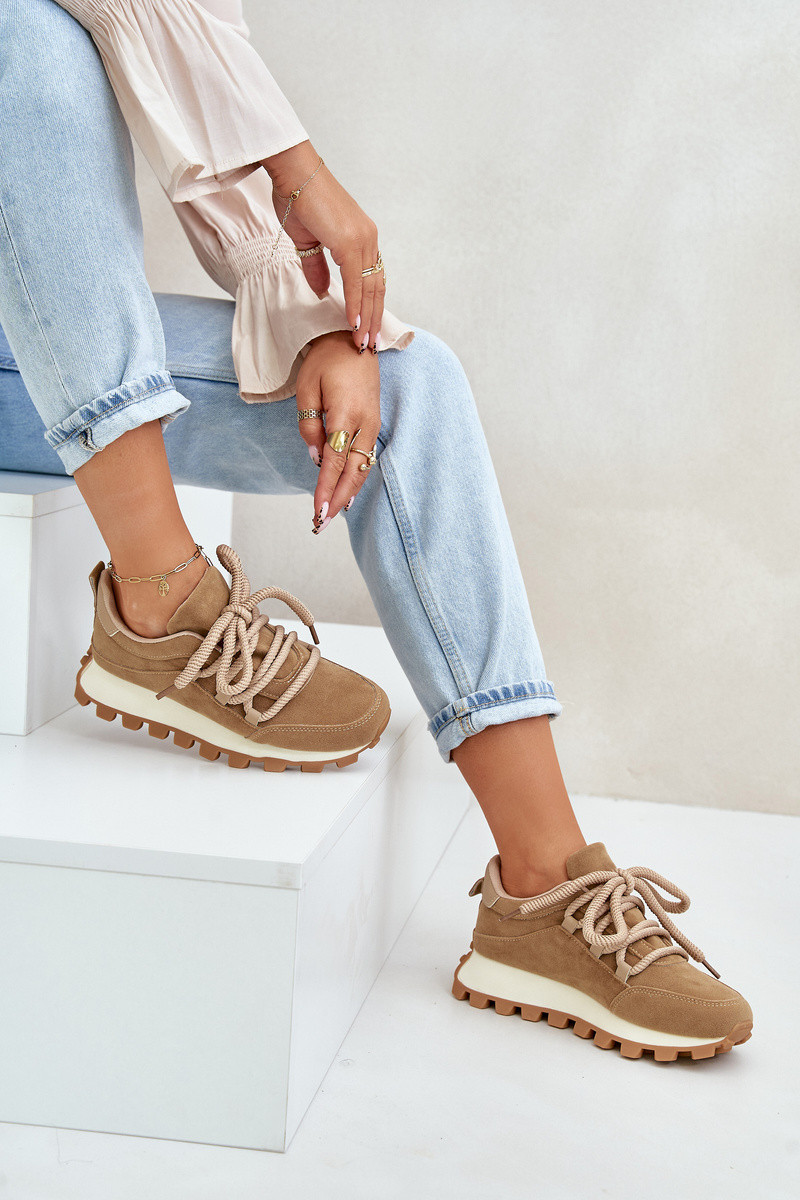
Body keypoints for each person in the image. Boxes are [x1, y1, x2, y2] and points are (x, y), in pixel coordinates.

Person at [0, 0, 752, 1061]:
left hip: (40, 334)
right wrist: (297, 167)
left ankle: (542, 887)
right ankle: (159, 598)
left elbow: (158, 32)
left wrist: (308, 311)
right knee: (20, 35)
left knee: (405, 386)